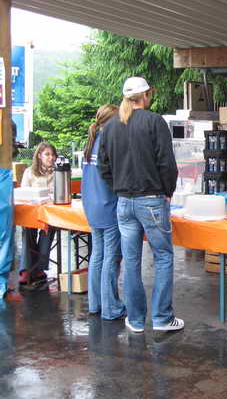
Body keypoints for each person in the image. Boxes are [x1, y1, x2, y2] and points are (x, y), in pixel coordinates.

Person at [99, 76, 182, 333]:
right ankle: (162, 318)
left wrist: (119, 186)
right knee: (163, 256)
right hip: (152, 200)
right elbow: (167, 163)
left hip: (124, 202)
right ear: (145, 95)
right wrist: (167, 192)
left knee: (131, 260)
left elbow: (104, 167)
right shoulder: (155, 121)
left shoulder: (111, 126)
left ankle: (135, 320)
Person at [82, 105, 126, 320]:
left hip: (91, 207)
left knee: (97, 255)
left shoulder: (90, 143)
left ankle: (95, 304)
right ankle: (111, 308)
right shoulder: (109, 144)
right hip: (108, 206)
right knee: (111, 257)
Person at [19, 142, 58, 285]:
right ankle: (27, 269)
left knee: (49, 228)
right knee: (27, 229)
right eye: (47, 154)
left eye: (53, 154)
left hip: (50, 214)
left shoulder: (58, 173)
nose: (51, 157)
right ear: (39, 156)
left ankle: (38, 268)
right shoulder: (29, 172)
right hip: (32, 212)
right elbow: (24, 194)